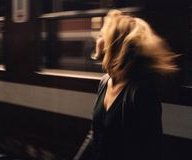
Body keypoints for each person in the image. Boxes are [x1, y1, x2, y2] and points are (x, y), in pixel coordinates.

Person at [74, 10, 179, 160]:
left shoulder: (140, 91)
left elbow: (150, 151)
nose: (97, 39)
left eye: (101, 35)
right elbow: (96, 133)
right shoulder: (105, 81)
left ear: (113, 43)